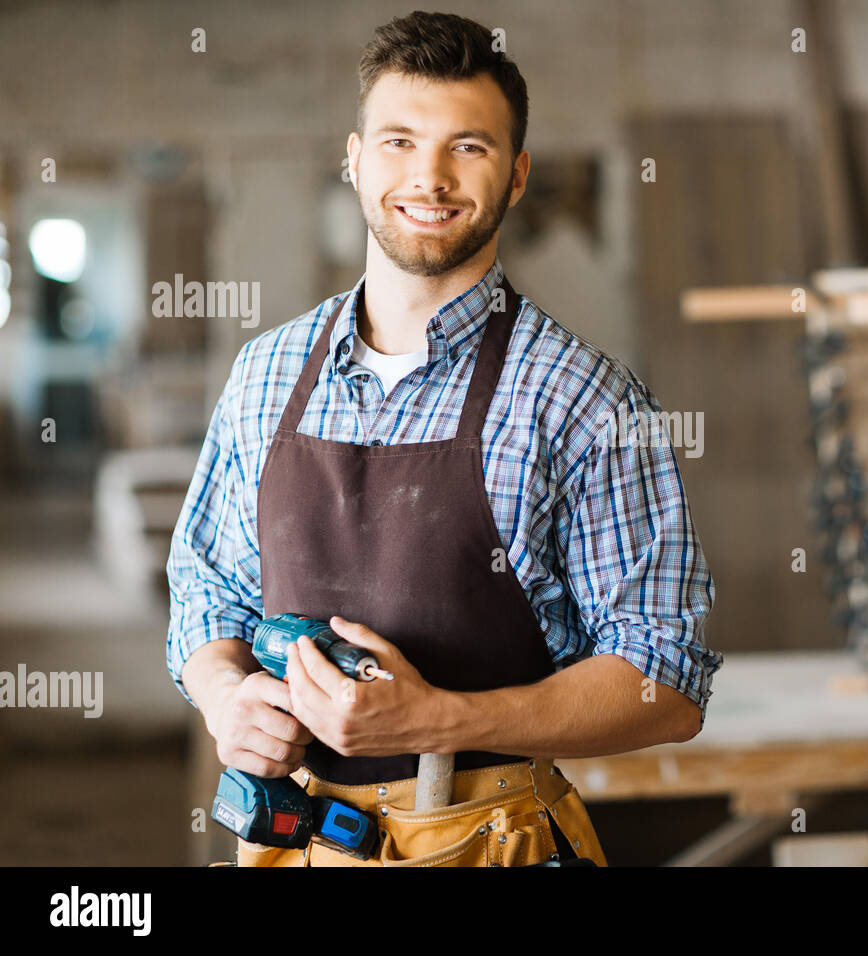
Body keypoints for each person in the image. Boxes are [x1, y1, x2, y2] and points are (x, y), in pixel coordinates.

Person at [166, 10, 721, 867]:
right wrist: (224, 695)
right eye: (398, 141)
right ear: (353, 160)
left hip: (489, 840)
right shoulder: (265, 374)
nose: (428, 176)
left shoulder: (584, 399)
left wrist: (445, 720)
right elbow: (208, 589)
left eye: (469, 146)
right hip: (295, 839)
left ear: (518, 173)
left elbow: (667, 679)